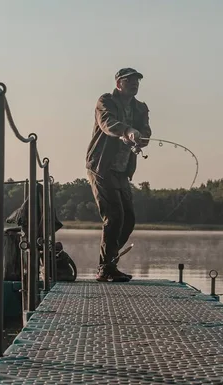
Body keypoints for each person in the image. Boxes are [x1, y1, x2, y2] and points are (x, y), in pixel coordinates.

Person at [85, 68, 152, 282]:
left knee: (128, 219)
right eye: (129, 80)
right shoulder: (105, 101)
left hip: (123, 171)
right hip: (101, 166)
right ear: (118, 83)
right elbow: (107, 123)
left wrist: (142, 138)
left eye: (137, 81)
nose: (134, 83)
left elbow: (146, 131)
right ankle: (105, 268)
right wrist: (127, 131)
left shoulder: (140, 108)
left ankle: (109, 262)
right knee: (114, 216)